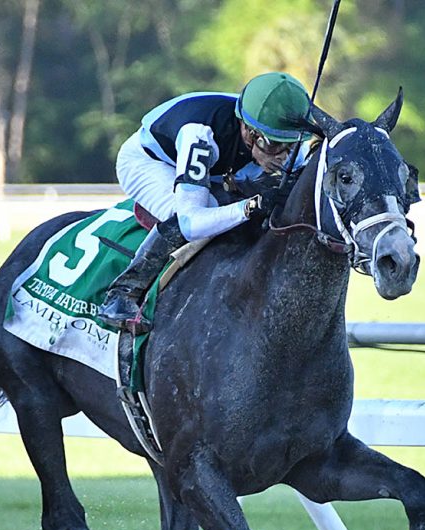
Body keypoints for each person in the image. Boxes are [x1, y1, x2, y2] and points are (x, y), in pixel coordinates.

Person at [97, 72, 312, 335]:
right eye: (274, 145)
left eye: (292, 145)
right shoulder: (199, 135)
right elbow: (190, 223)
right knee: (200, 211)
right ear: (247, 130)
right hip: (153, 163)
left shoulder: (286, 138)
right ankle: (123, 293)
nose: (284, 155)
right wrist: (251, 205)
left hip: (224, 169)